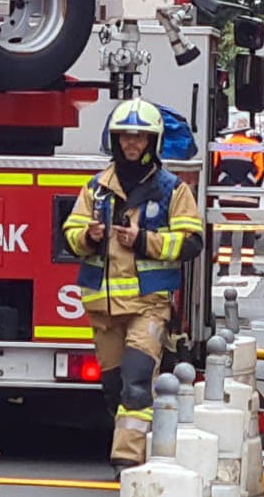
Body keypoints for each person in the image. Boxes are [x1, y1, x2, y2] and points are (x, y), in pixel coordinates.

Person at [63, 99, 205, 470]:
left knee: (137, 382)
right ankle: (135, 442)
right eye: (126, 136)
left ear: (152, 142)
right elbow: (70, 235)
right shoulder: (95, 189)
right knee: (114, 390)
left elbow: (192, 242)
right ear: (115, 139)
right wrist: (90, 236)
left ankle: (127, 461)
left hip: (149, 305)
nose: (132, 143)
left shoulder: (171, 191)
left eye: (140, 137)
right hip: (104, 309)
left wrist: (144, 241)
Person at [213, 122, 264, 277]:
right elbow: (260, 170)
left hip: (226, 196)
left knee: (226, 232)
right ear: (246, 131)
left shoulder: (223, 146)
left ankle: (224, 268)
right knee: (248, 232)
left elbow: (217, 168)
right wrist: (245, 184)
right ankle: (247, 267)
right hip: (248, 196)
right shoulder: (254, 146)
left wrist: (229, 184)